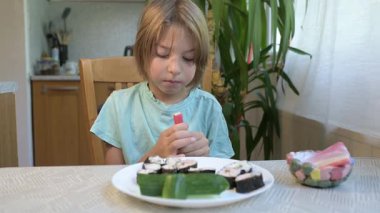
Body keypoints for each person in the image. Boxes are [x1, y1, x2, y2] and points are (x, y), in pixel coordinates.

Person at [90, 0, 234, 164]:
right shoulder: (118, 106)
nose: (174, 68)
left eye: (188, 58)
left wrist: (207, 159)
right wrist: (153, 157)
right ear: (143, 53)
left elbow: (224, 175)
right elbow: (114, 178)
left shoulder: (209, 108)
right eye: (162, 54)